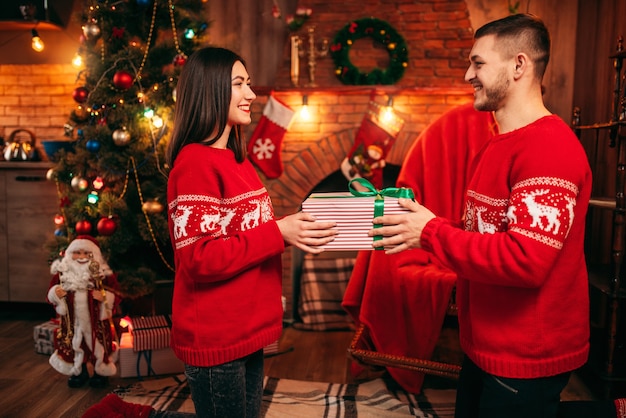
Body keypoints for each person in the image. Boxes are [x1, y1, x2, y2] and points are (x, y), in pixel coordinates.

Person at [367, 13, 624, 418]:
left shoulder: (549, 149)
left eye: (478, 63)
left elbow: (525, 260)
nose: (468, 73)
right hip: (485, 346)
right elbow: (489, 234)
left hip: (524, 355)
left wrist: (432, 232)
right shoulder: (496, 145)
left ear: (519, 65)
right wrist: (426, 226)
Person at [82, 46, 336, 418]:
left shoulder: (238, 159)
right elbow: (200, 258)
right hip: (219, 336)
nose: (251, 94)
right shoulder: (195, 165)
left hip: (248, 330)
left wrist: (293, 229)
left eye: (249, 83)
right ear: (210, 90)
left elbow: (246, 231)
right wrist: (279, 232)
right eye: (239, 84)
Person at [47, 235, 120, 389]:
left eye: (86, 253)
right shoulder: (62, 273)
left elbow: (116, 293)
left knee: (99, 345)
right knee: (74, 345)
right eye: (77, 253)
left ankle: (101, 372)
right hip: (72, 321)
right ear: (69, 254)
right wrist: (55, 293)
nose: (81, 257)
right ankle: (79, 371)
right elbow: (51, 293)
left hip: (97, 322)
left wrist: (105, 297)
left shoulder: (103, 274)